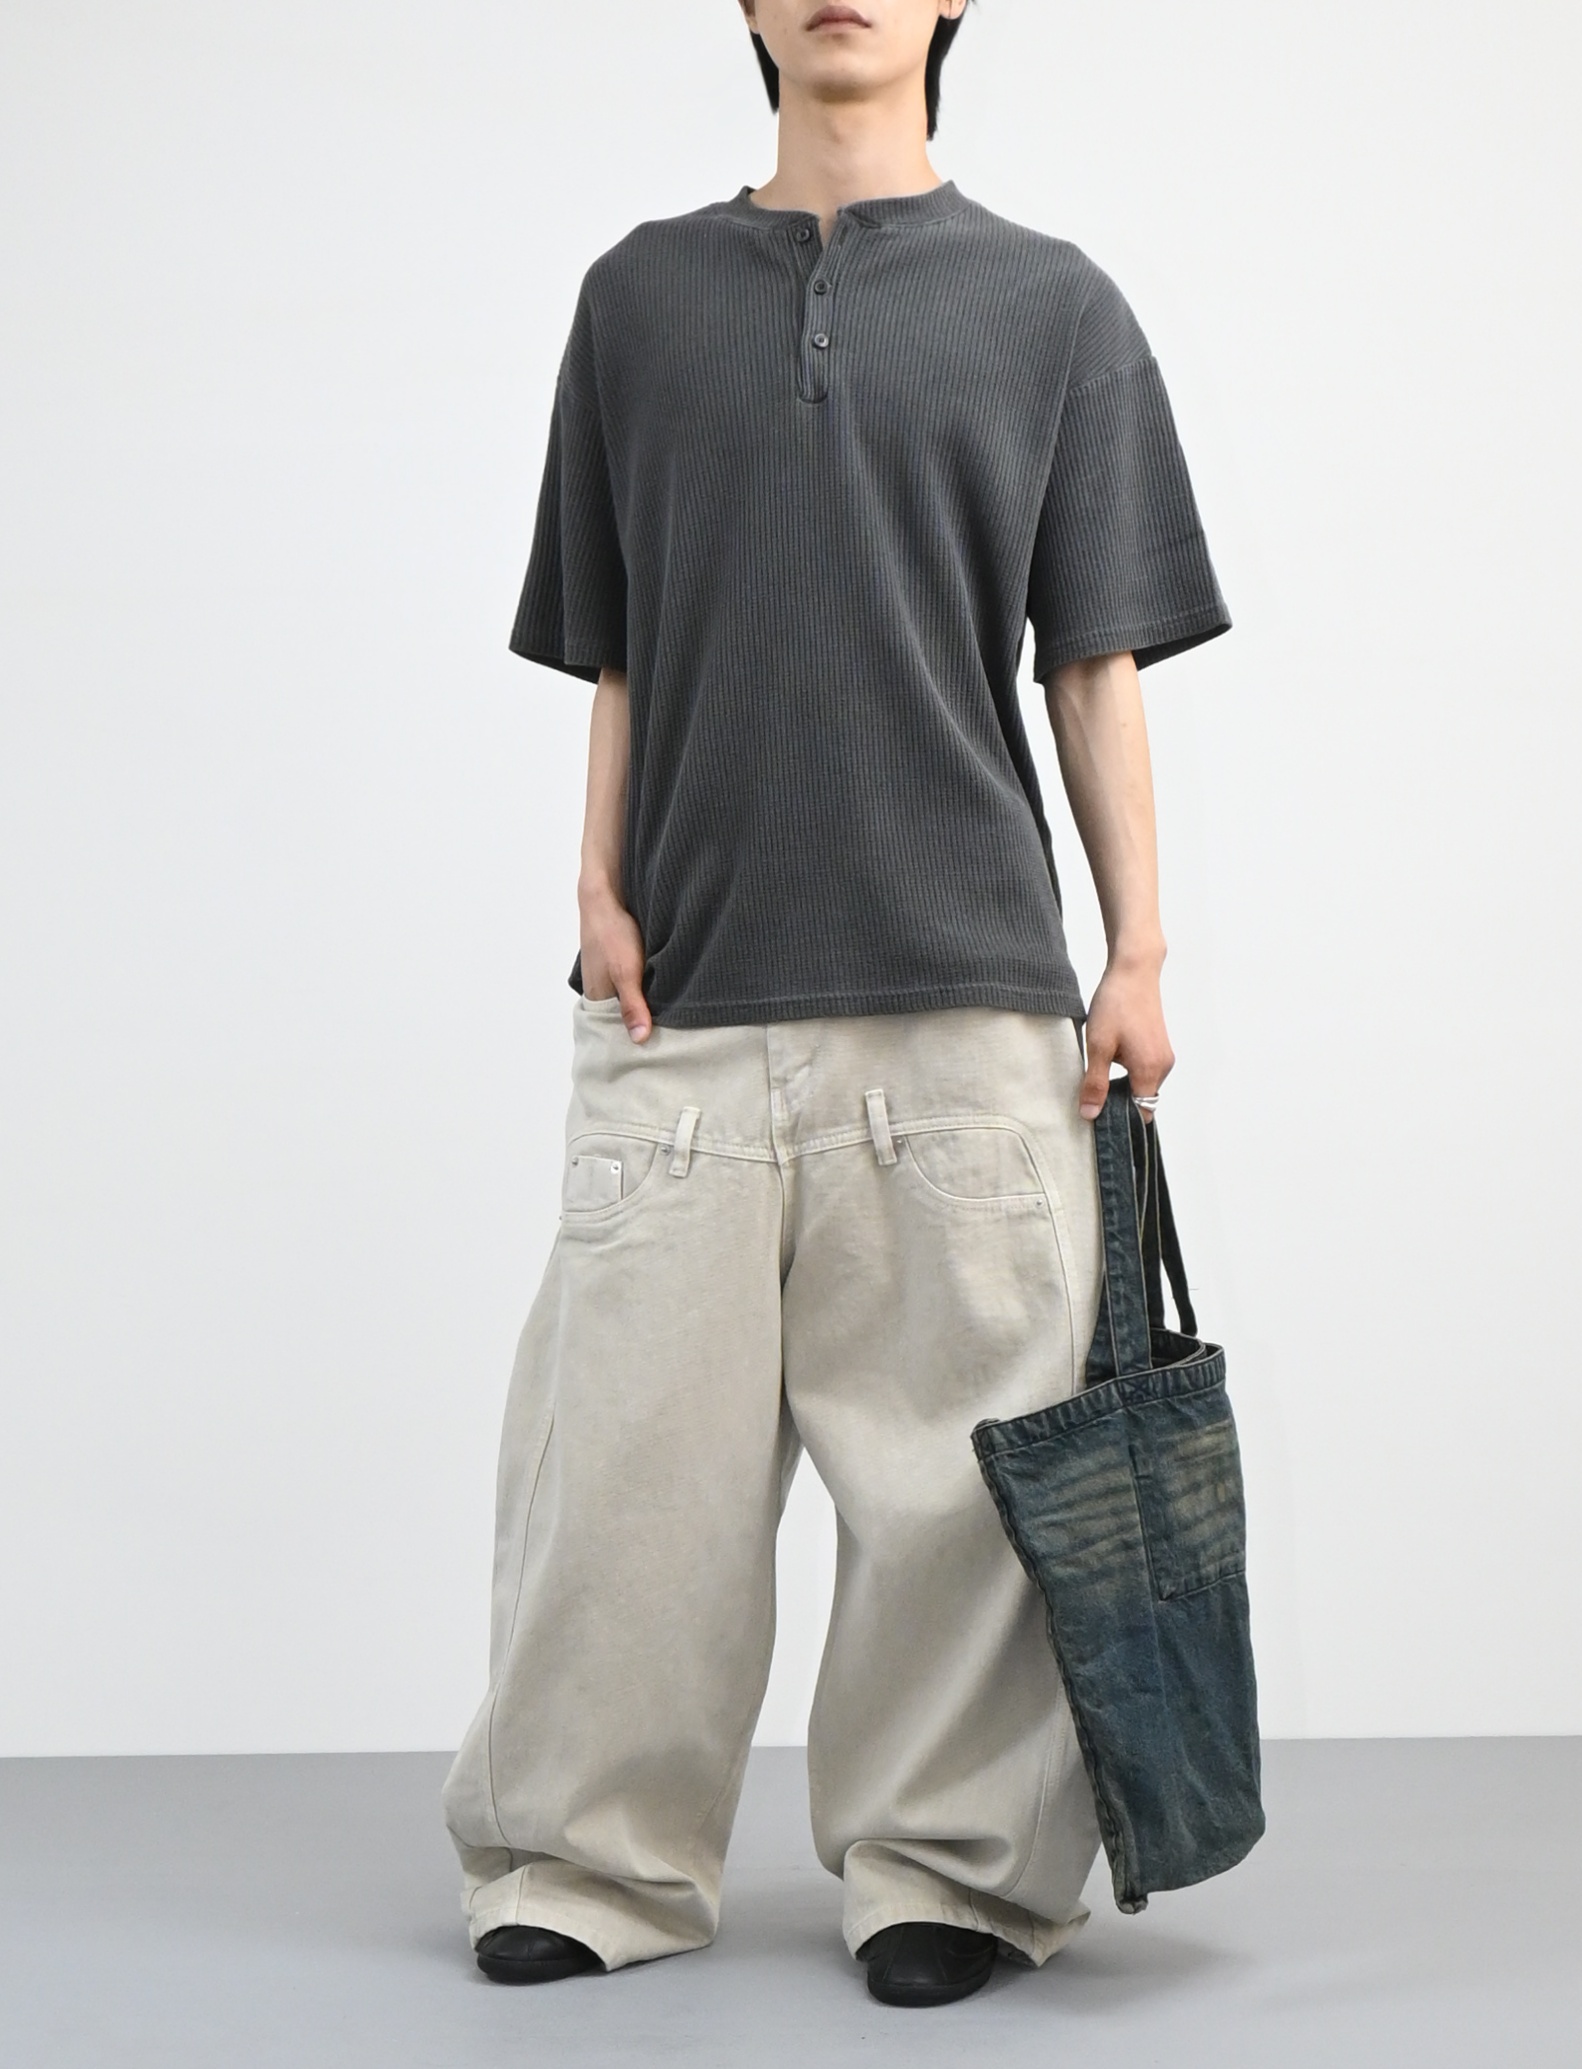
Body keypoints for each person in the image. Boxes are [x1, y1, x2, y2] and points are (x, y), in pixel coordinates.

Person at [441, 0, 1230, 2010]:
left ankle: (950, 1872)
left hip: (968, 1000)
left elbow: (1092, 660)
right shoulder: (637, 303)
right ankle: (585, 1855)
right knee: (624, 1477)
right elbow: (617, 643)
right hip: (682, 1006)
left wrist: (1138, 948)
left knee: (964, 1484)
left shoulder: (1056, 311)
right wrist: (596, 886)